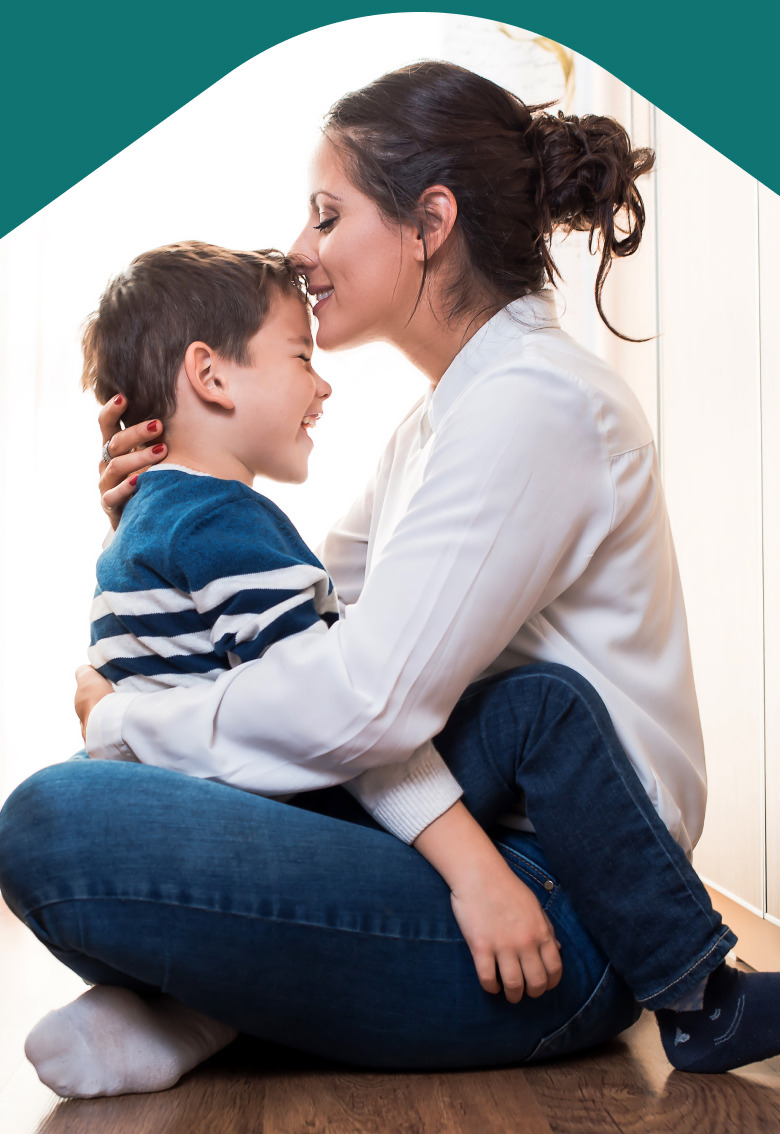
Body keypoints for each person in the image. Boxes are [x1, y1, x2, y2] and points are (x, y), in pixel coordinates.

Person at [2, 62, 780, 1092]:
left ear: (430, 223)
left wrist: (130, 719)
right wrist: (162, 518)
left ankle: (691, 988)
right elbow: (302, 638)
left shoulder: (530, 406)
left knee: (57, 822)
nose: (301, 250)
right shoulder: (435, 427)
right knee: (80, 810)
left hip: (562, 899)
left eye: (329, 216)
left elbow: (358, 697)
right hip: (452, 849)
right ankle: (198, 1015)